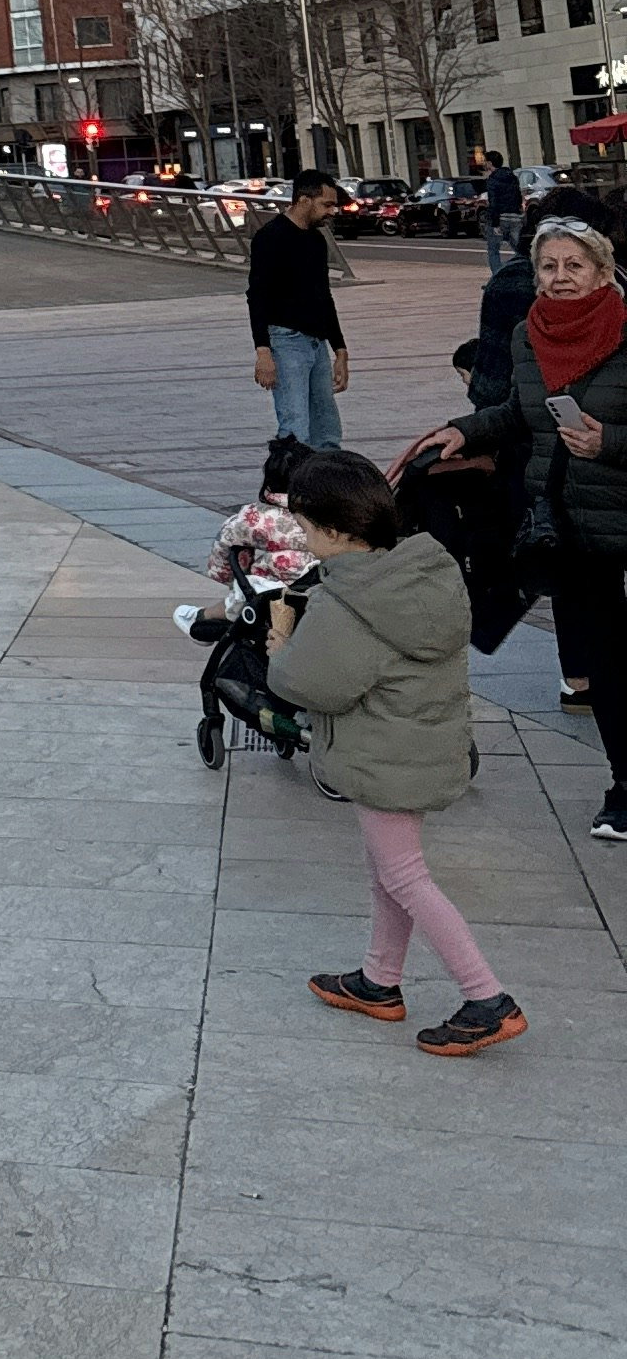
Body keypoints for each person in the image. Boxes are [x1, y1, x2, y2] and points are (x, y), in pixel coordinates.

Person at [267, 447, 524, 1055]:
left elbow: (309, 684)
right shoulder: (419, 571)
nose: (303, 540)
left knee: (405, 876)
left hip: (383, 753)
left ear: (334, 529)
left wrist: (281, 637)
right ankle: (379, 981)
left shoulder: (347, 602)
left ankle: (487, 998)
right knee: (391, 869)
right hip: (423, 745)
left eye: (305, 528)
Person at [410, 212, 627, 839]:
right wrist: (466, 429)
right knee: (608, 663)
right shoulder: (527, 337)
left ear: (603, 272)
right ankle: (625, 786)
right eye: (548, 267)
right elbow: (518, 412)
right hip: (571, 524)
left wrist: (609, 442)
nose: (560, 278)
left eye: (574, 266)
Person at [248, 171, 350, 447]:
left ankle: (327, 487)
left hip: (317, 344)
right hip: (286, 342)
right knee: (295, 431)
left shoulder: (316, 240)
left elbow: (323, 296)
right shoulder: (270, 238)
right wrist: (264, 353)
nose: (332, 211)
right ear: (304, 200)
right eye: (326, 204)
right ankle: (287, 488)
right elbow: (257, 297)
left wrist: (339, 350)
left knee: (327, 431)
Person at [172, 435, 311, 635]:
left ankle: (203, 618)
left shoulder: (256, 518)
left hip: (271, 589)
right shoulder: (324, 514)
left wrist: (225, 575)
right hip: (318, 586)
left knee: (247, 592)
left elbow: (225, 540)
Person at [477, 149, 527, 278]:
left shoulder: (492, 179)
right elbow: (518, 195)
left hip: (500, 217)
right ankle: (524, 271)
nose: (484, 165)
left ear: (490, 163)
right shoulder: (512, 177)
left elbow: (494, 201)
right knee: (520, 249)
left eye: (485, 162)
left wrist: (495, 223)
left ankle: (498, 276)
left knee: (493, 250)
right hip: (515, 216)